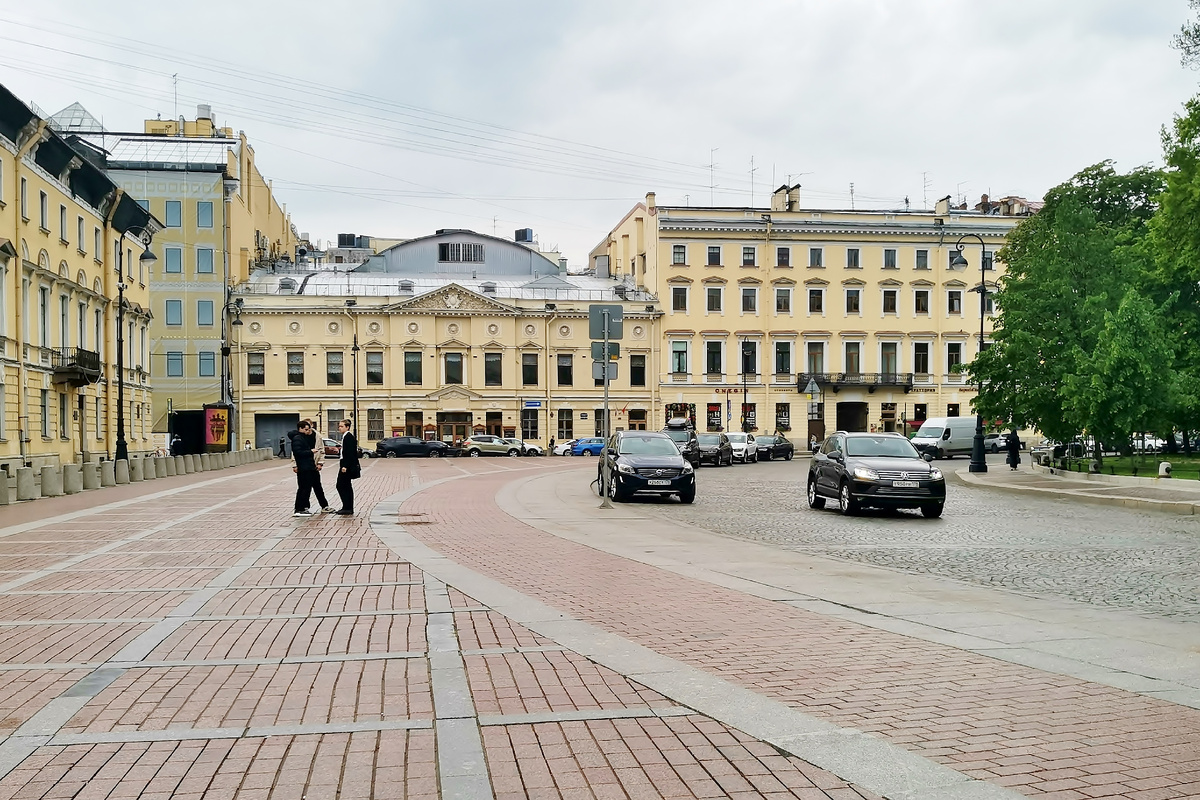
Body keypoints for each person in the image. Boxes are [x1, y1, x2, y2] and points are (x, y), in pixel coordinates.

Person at [289, 420, 333, 516]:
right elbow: (296, 452)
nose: (307, 431)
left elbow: (321, 450)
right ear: (301, 428)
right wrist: (295, 464)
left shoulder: (317, 436)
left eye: (309, 428)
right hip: (304, 466)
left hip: (312, 465)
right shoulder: (298, 438)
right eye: (305, 429)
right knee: (304, 487)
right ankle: (301, 508)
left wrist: (320, 463)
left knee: (316, 486)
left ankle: (323, 506)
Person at [335, 418, 361, 516]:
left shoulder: (348, 437)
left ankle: (347, 507)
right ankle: (346, 507)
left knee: (342, 486)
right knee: (345, 486)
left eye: (341, 426)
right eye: (339, 426)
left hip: (347, 465)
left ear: (347, 427)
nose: (339, 428)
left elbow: (349, 453)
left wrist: (345, 465)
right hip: (345, 464)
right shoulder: (346, 437)